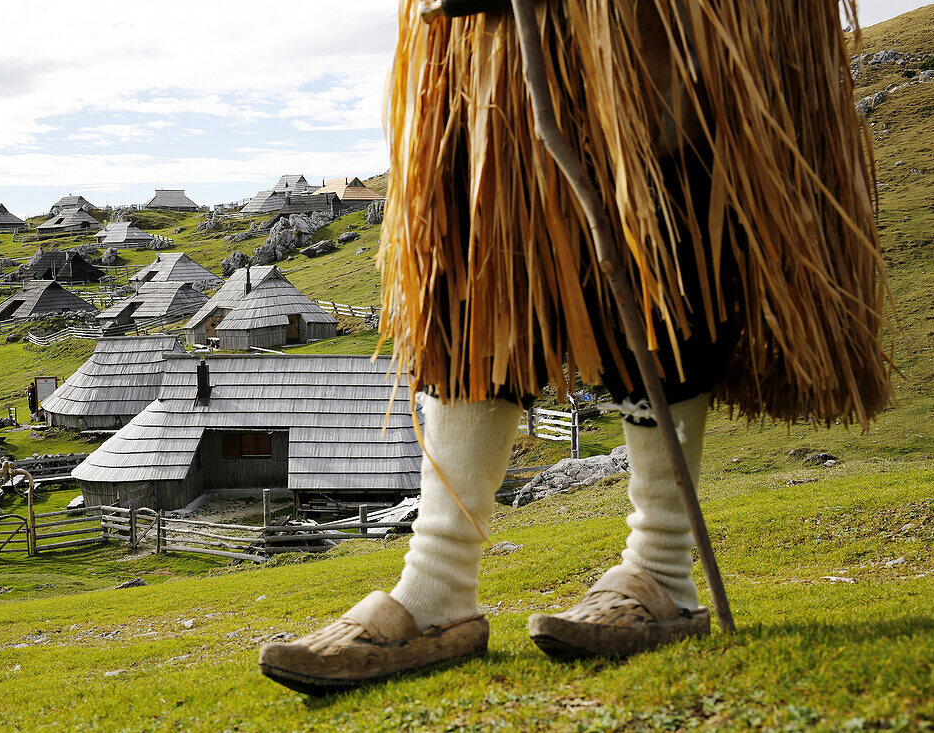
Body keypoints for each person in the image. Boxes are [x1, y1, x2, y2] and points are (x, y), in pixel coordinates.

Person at [259, 0, 889, 695]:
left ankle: (660, 567)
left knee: (660, 204)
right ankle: (435, 591)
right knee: (477, 238)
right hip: (485, 31)